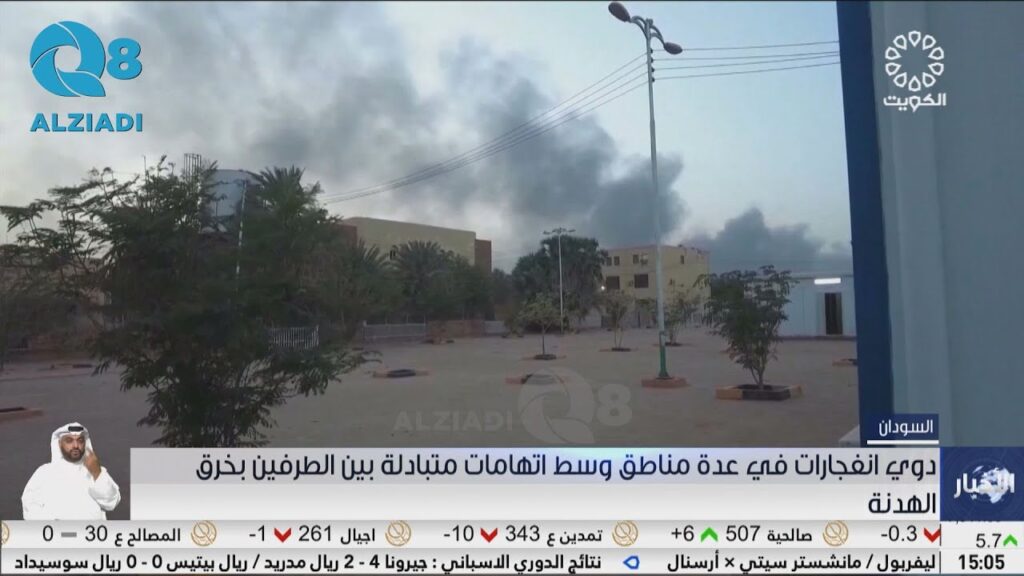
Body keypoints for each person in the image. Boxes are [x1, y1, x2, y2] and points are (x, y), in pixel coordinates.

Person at [21, 422, 121, 520]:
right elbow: (29, 506)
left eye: (80, 441)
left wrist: (96, 473)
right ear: (59, 444)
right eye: (69, 441)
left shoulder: (96, 471)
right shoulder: (44, 472)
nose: (76, 445)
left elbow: (111, 503)